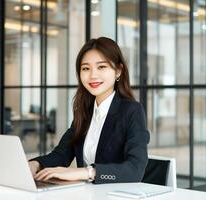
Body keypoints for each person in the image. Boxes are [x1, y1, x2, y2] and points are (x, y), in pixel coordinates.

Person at [29, 37, 150, 184]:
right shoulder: (85, 112)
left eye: (101, 67)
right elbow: (62, 155)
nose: (93, 75)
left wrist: (88, 172)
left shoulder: (132, 111)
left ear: (118, 71)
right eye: (86, 68)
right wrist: (35, 164)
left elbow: (135, 170)